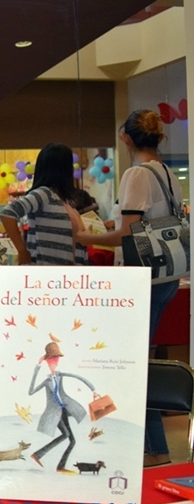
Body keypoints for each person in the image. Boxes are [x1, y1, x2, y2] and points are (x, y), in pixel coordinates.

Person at [76, 109, 184, 468]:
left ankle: (155, 450)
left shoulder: (137, 174)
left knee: (134, 366)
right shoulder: (167, 173)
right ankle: (153, 448)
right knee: (141, 361)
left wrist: (85, 235)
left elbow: (127, 235)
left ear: (125, 138)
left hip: (143, 279)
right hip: (167, 275)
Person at [0, 143, 87, 266]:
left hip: (64, 275)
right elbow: (8, 213)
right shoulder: (44, 194)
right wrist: (22, 250)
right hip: (46, 273)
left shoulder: (64, 200)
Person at [28, 342, 96, 474]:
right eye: (52, 358)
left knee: (72, 440)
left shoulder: (60, 375)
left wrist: (93, 390)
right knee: (66, 434)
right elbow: (30, 391)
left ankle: (59, 465)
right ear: (47, 360)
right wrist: (37, 366)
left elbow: (80, 378)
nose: (55, 361)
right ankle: (38, 455)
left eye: (56, 358)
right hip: (54, 413)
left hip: (64, 410)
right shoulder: (47, 381)